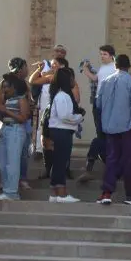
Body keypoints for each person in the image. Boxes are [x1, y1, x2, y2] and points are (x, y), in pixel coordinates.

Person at [97, 54, 131, 206]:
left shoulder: (105, 82)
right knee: (130, 161)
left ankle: (106, 193)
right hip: (128, 126)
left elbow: (99, 104)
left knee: (112, 160)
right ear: (128, 66)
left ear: (116, 65)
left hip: (110, 127)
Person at [77, 44, 117, 182]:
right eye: (101, 54)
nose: (102, 57)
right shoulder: (103, 68)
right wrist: (85, 69)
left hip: (108, 105)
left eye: (105, 54)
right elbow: (95, 79)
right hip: (98, 103)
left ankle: (94, 166)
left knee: (102, 136)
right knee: (100, 134)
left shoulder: (114, 68)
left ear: (111, 55)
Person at [43, 67, 83, 203]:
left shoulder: (63, 95)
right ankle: (61, 193)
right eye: (72, 77)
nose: (74, 81)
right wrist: (79, 117)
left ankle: (54, 193)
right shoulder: (62, 96)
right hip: (61, 131)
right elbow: (64, 116)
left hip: (61, 131)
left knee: (59, 161)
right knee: (61, 161)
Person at [0, 74, 32, 201]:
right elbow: (2, 115)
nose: (4, 90)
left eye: (7, 88)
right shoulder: (7, 99)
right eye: (3, 87)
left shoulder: (22, 99)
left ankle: (12, 193)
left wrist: (6, 111)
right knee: (2, 162)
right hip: (5, 128)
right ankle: (6, 187)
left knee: (12, 162)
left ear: (14, 88)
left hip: (16, 130)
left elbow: (23, 118)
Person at [0, 57, 34, 191]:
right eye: (25, 67)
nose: (26, 70)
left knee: (23, 153)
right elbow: (0, 105)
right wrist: (6, 121)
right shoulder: (3, 84)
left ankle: (21, 179)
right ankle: (7, 183)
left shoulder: (25, 84)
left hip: (22, 123)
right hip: (9, 125)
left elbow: (29, 103)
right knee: (7, 159)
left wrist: (29, 104)